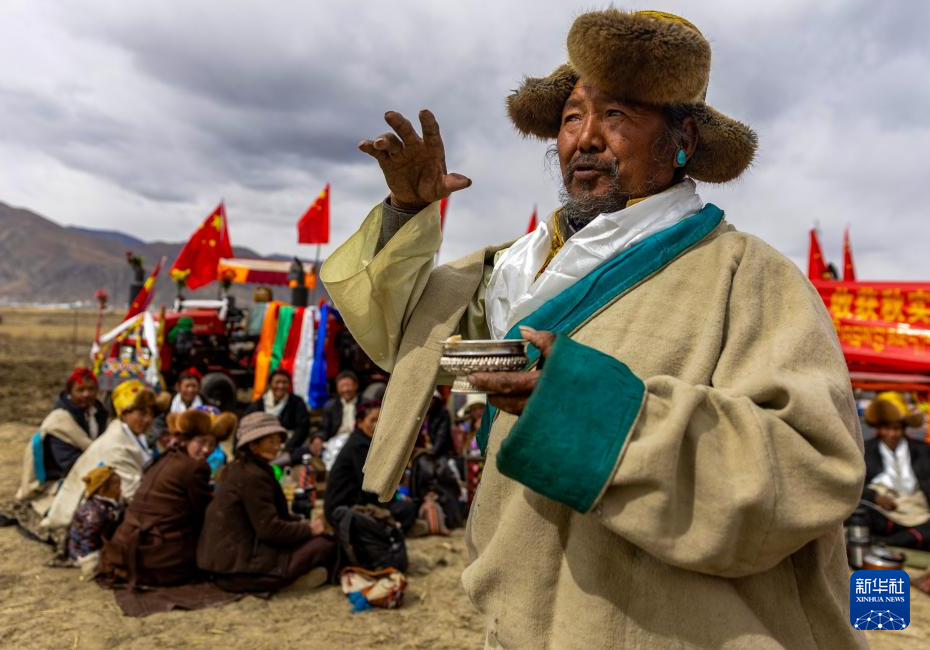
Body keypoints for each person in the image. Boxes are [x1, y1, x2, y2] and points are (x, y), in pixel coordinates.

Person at [320, 9, 866, 647]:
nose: (585, 139)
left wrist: (588, 413)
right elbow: (414, 346)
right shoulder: (514, 273)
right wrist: (407, 210)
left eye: (616, 115)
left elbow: (813, 465)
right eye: (572, 117)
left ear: (682, 140)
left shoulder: (749, 275)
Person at [197, 412, 335, 594]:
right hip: (238, 570)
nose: (277, 446)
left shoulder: (240, 468)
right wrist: (309, 529)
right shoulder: (252, 476)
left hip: (225, 564)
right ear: (253, 445)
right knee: (323, 545)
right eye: (270, 441)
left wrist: (302, 525)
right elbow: (270, 529)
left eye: (278, 441)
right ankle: (289, 583)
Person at [98, 409, 216, 587]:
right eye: (200, 442)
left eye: (211, 444)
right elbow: (204, 510)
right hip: (153, 555)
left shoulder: (165, 458)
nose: (206, 450)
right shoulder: (194, 467)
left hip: (124, 547)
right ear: (185, 440)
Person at [0, 367, 110, 534]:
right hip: (61, 477)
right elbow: (68, 463)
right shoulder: (59, 422)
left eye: (91, 389)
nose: (86, 394)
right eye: (80, 390)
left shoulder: (99, 413)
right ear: (70, 392)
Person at [39, 380, 158, 538]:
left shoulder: (133, 434)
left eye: (151, 414)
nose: (148, 419)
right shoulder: (117, 447)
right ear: (124, 414)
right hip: (91, 515)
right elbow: (132, 493)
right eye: (142, 413)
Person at [324, 401, 417, 532]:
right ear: (360, 422)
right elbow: (370, 487)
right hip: (343, 511)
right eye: (372, 420)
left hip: (350, 505)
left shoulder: (366, 442)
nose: (377, 425)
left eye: (380, 420)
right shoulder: (359, 446)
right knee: (408, 508)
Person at [860, 394, 930, 550]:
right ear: (878, 428)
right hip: (883, 514)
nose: (891, 434)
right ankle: (905, 539)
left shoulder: (923, 450)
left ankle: (888, 542)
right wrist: (875, 497)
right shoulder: (866, 451)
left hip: (920, 513)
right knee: (858, 513)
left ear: (904, 429)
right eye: (886, 428)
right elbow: (855, 485)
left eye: (896, 429)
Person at [66, 467, 124, 575]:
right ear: (102, 490)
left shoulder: (108, 506)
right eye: (117, 486)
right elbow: (88, 538)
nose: (120, 490)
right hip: (85, 553)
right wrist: (88, 558)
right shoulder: (94, 513)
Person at [244, 368, 310, 454]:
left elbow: (302, 428)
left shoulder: (297, 402)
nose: (281, 386)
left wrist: (287, 448)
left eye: (284, 382)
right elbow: (247, 423)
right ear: (270, 384)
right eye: (277, 382)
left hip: (288, 446)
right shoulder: (260, 403)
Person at [319, 370, 360, 440]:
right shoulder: (330, 406)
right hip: (337, 439)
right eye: (342, 386)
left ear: (356, 385)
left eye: (348, 385)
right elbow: (324, 428)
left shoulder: (366, 404)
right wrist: (319, 437)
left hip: (358, 439)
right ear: (337, 388)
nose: (345, 389)